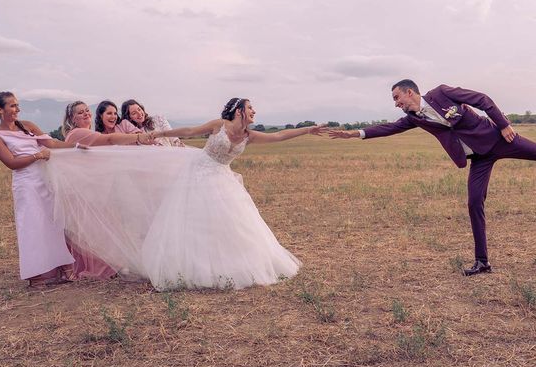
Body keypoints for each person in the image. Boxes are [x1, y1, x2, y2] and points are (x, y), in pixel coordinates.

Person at [45, 98, 326, 290]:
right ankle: (194, 267)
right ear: (239, 110)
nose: (254, 112)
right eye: (251, 108)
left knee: (232, 223)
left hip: (223, 179)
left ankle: (232, 263)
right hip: (199, 174)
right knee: (196, 223)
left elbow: (278, 137)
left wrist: (309, 129)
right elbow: (190, 130)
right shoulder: (219, 125)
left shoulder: (249, 135)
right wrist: (156, 135)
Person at [329, 80, 536, 276]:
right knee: (474, 203)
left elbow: (482, 99)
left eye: (397, 98)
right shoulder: (414, 118)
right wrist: (355, 133)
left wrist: (504, 125)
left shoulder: (442, 93)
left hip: (498, 140)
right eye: (395, 101)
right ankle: (482, 262)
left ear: (410, 92)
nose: (397, 104)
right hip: (478, 158)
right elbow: (388, 128)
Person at [58, 100, 155, 280]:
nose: (86, 114)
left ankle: (107, 265)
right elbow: (109, 139)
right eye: (80, 112)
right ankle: (102, 268)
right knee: (94, 232)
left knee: (99, 230)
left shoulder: (86, 133)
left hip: (94, 190)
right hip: (87, 192)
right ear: (72, 118)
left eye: (87, 110)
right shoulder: (78, 133)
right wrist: (138, 137)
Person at [0, 92, 76, 287]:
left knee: (53, 222)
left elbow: (51, 143)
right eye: (12, 106)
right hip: (26, 184)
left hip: (45, 179)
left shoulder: (27, 126)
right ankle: (38, 274)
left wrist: (76, 147)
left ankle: (62, 268)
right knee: (32, 225)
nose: (17, 109)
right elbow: (11, 163)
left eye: (17, 105)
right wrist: (37, 156)